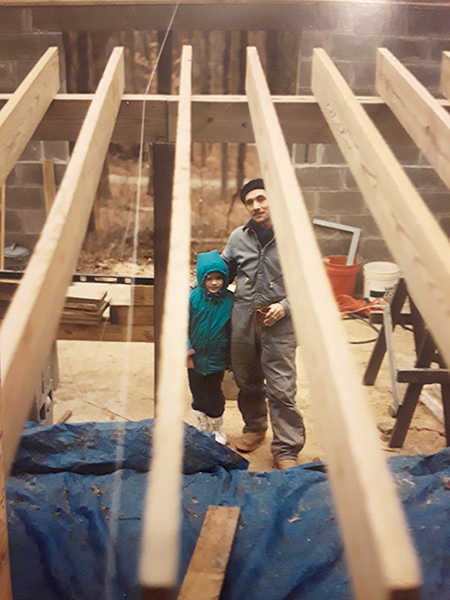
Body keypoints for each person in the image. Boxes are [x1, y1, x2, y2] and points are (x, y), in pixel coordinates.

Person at [221, 178, 305, 469]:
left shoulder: (295, 236)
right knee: (247, 379)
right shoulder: (238, 238)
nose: (256, 206)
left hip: (280, 322)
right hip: (244, 318)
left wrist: (285, 306)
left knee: (281, 388)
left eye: (261, 199)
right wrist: (193, 289)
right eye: (250, 201)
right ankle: (255, 427)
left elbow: (309, 282)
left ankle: (286, 449)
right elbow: (220, 273)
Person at [187, 250, 233, 445]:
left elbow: (234, 330)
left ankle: (217, 427)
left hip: (217, 357)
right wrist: (186, 351)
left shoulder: (230, 301)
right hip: (195, 358)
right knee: (197, 393)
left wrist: (231, 355)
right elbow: (182, 325)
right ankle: (202, 426)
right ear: (201, 279)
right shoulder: (192, 299)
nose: (214, 283)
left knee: (214, 393)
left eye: (219, 278)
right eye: (209, 278)